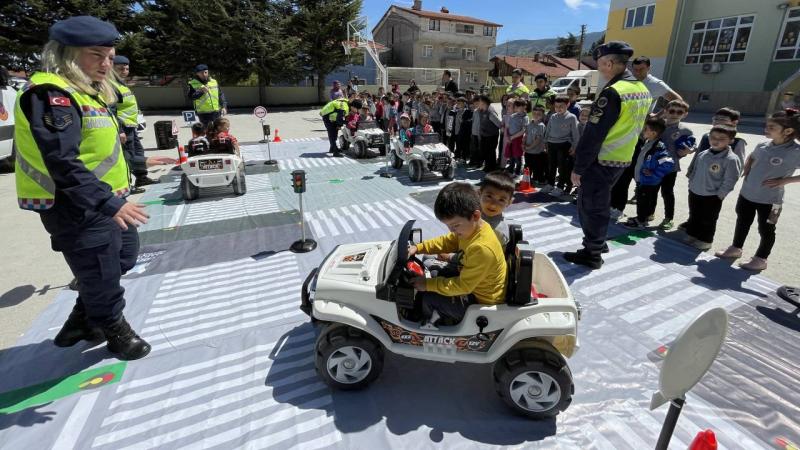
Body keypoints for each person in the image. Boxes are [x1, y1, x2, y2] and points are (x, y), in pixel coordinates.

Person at [14, 16, 176, 360]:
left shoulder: (86, 91)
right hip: (75, 203)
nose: (107, 64)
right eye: (96, 55)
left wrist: (139, 165)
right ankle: (114, 327)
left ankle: (80, 319)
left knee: (124, 256)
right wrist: (108, 202)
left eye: (109, 55)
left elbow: (97, 146)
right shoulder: (51, 94)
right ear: (68, 54)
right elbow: (62, 161)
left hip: (105, 198)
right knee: (100, 269)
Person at [564, 41, 652, 269]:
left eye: (602, 64)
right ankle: (599, 241)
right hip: (622, 158)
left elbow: (594, 134)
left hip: (601, 159)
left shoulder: (613, 92)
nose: (600, 69)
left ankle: (592, 252)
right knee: (601, 203)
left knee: (591, 207)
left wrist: (579, 167)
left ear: (610, 63)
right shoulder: (642, 89)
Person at [408, 182, 507, 329]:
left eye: (455, 226)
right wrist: (419, 247)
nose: (452, 231)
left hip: (480, 301)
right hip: (473, 282)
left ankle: (429, 326)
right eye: (448, 226)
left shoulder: (482, 248)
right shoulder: (474, 227)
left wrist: (427, 285)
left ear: (475, 215)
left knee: (428, 297)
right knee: (430, 263)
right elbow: (449, 241)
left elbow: (463, 286)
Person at [715, 110, 800, 271]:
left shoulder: (795, 152)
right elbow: (752, 157)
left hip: (770, 200)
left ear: (788, 131)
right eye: (767, 126)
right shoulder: (763, 145)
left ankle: (761, 258)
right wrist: (747, 167)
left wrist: (785, 180)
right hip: (747, 194)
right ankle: (736, 248)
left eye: (772, 127)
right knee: (742, 221)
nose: (766, 129)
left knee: (766, 229)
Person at [424, 171, 515, 276]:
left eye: (501, 200)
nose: (493, 204)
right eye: (489, 196)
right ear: (479, 193)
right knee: (427, 256)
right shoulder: (476, 212)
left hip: (478, 270)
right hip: (466, 254)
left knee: (429, 264)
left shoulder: (498, 231)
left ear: (509, 202)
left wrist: (449, 257)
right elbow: (456, 238)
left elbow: (478, 258)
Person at [680, 125, 741, 250]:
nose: (716, 140)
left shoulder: (731, 159)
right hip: (695, 191)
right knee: (694, 214)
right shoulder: (703, 153)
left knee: (708, 219)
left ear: (731, 140)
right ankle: (692, 234)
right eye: (713, 137)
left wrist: (720, 195)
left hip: (712, 196)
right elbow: (695, 170)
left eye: (722, 138)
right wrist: (691, 184)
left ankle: (705, 240)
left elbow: (730, 180)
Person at [110, 55, 154, 194]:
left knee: (138, 152)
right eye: (120, 68)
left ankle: (141, 177)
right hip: (123, 127)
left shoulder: (122, 84)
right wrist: (120, 129)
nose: (124, 70)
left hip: (131, 126)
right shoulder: (111, 86)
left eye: (126, 68)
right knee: (128, 157)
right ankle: (128, 185)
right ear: (111, 68)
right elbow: (111, 110)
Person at [622, 117, 673, 229]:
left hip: (649, 181)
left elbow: (668, 163)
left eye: (646, 129)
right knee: (644, 200)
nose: (643, 130)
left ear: (653, 133)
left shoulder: (658, 147)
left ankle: (641, 221)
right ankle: (643, 217)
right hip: (643, 180)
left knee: (643, 201)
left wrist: (654, 174)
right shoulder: (648, 142)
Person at [658, 99, 695, 230]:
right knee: (649, 191)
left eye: (679, 112)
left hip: (670, 167)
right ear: (666, 112)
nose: (675, 114)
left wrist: (688, 151)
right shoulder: (658, 125)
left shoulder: (685, 130)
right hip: (652, 165)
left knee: (667, 192)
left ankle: (668, 218)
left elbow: (691, 145)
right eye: (672, 111)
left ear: (684, 114)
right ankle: (647, 214)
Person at [542, 96, 580, 196]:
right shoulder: (553, 116)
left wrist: (574, 146)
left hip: (563, 145)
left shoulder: (572, 117)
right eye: (556, 106)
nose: (558, 108)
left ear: (567, 105)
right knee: (551, 165)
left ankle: (560, 186)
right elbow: (548, 130)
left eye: (561, 106)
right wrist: (545, 142)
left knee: (562, 167)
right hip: (551, 144)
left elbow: (575, 134)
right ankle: (550, 184)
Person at [187, 64, 226, 128]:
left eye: (205, 72)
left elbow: (220, 94)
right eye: (201, 73)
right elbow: (191, 97)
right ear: (197, 74)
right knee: (207, 132)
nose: (204, 74)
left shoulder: (214, 81)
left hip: (216, 112)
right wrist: (201, 92)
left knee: (218, 131)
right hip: (204, 113)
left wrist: (224, 106)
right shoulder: (193, 83)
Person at [477, 95, 502, 172]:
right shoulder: (481, 110)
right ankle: (487, 166)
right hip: (484, 135)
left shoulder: (490, 112)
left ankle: (491, 168)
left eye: (480, 101)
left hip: (491, 135)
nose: (478, 103)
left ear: (484, 103)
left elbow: (499, 124)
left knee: (490, 152)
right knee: (485, 151)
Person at [504, 99, 528, 176]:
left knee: (518, 157)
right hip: (510, 139)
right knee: (511, 157)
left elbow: (523, 130)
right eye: (518, 106)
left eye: (522, 106)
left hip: (518, 140)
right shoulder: (512, 116)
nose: (520, 108)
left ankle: (517, 172)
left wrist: (512, 137)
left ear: (525, 107)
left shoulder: (525, 117)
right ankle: (510, 170)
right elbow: (507, 127)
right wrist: (508, 137)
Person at [524, 106, 547, 184]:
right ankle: (527, 180)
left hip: (537, 152)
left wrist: (529, 147)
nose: (536, 115)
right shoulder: (529, 124)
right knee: (528, 166)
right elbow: (525, 135)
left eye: (539, 114)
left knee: (537, 167)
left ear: (542, 115)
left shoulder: (541, 126)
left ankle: (539, 179)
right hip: (528, 151)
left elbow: (538, 140)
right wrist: (523, 144)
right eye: (534, 113)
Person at [454, 97, 473, 164]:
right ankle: (458, 157)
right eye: (457, 102)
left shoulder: (467, 111)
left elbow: (469, 121)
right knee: (458, 145)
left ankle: (464, 158)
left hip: (464, 132)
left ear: (464, 103)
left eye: (460, 103)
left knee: (464, 145)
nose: (458, 104)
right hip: (457, 131)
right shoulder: (456, 111)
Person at [469, 96, 482, 167]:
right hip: (474, 132)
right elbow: (473, 121)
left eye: (477, 103)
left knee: (479, 149)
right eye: (474, 104)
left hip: (480, 133)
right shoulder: (475, 111)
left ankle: (479, 162)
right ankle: (473, 161)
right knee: (473, 148)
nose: (475, 105)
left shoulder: (482, 112)